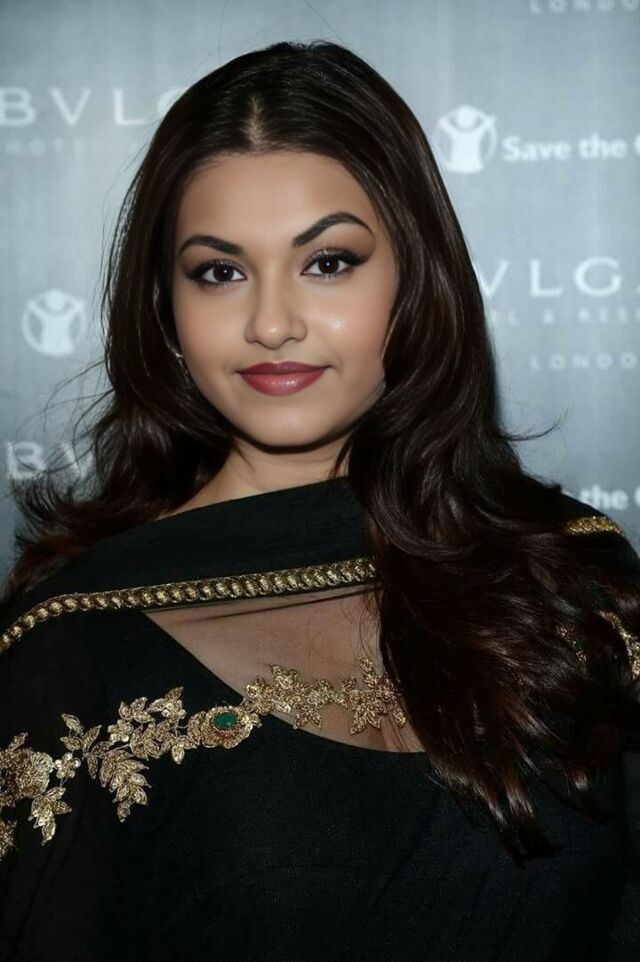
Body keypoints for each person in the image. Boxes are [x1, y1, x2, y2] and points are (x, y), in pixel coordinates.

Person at [0, 39, 638, 962]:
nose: (271, 323)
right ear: (165, 310)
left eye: (328, 262)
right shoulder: (75, 647)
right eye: (220, 272)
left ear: (416, 279)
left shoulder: (574, 578)